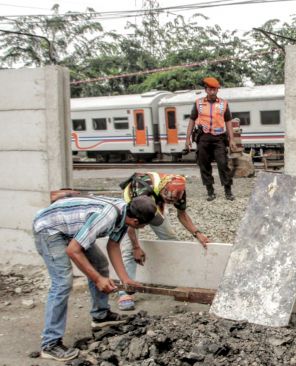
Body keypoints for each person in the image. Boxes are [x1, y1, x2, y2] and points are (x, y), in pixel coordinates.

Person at [33, 195, 160, 362]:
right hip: (50, 228)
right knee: (62, 282)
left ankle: (100, 316)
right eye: (145, 224)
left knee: (100, 264)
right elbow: (73, 251)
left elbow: (113, 245)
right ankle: (50, 344)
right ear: (136, 222)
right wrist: (98, 279)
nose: (145, 227)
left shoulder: (124, 215)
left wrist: (125, 279)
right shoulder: (107, 217)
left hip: (70, 228)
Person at [117, 172, 210, 311]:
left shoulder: (177, 190)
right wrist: (136, 247)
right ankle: (125, 292)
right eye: (167, 200)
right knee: (129, 250)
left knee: (171, 240)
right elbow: (131, 224)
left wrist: (197, 233)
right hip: (132, 208)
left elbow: (182, 214)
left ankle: (175, 278)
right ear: (162, 190)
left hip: (153, 204)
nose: (170, 203)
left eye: (171, 202)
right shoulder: (142, 190)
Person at [185, 76, 237, 201]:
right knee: (204, 164)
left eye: (215, 90)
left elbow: (228, 121)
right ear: (206, 90)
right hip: (203, 137)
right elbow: (192, 120)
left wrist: (232, 139)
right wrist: (187, 139)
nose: (212, 92)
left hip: (219, 138)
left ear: (218, 90)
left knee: (223, 164)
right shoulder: (198, 103)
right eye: (210, 89)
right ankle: (210, 191)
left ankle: (228, 191)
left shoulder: (224, 104)